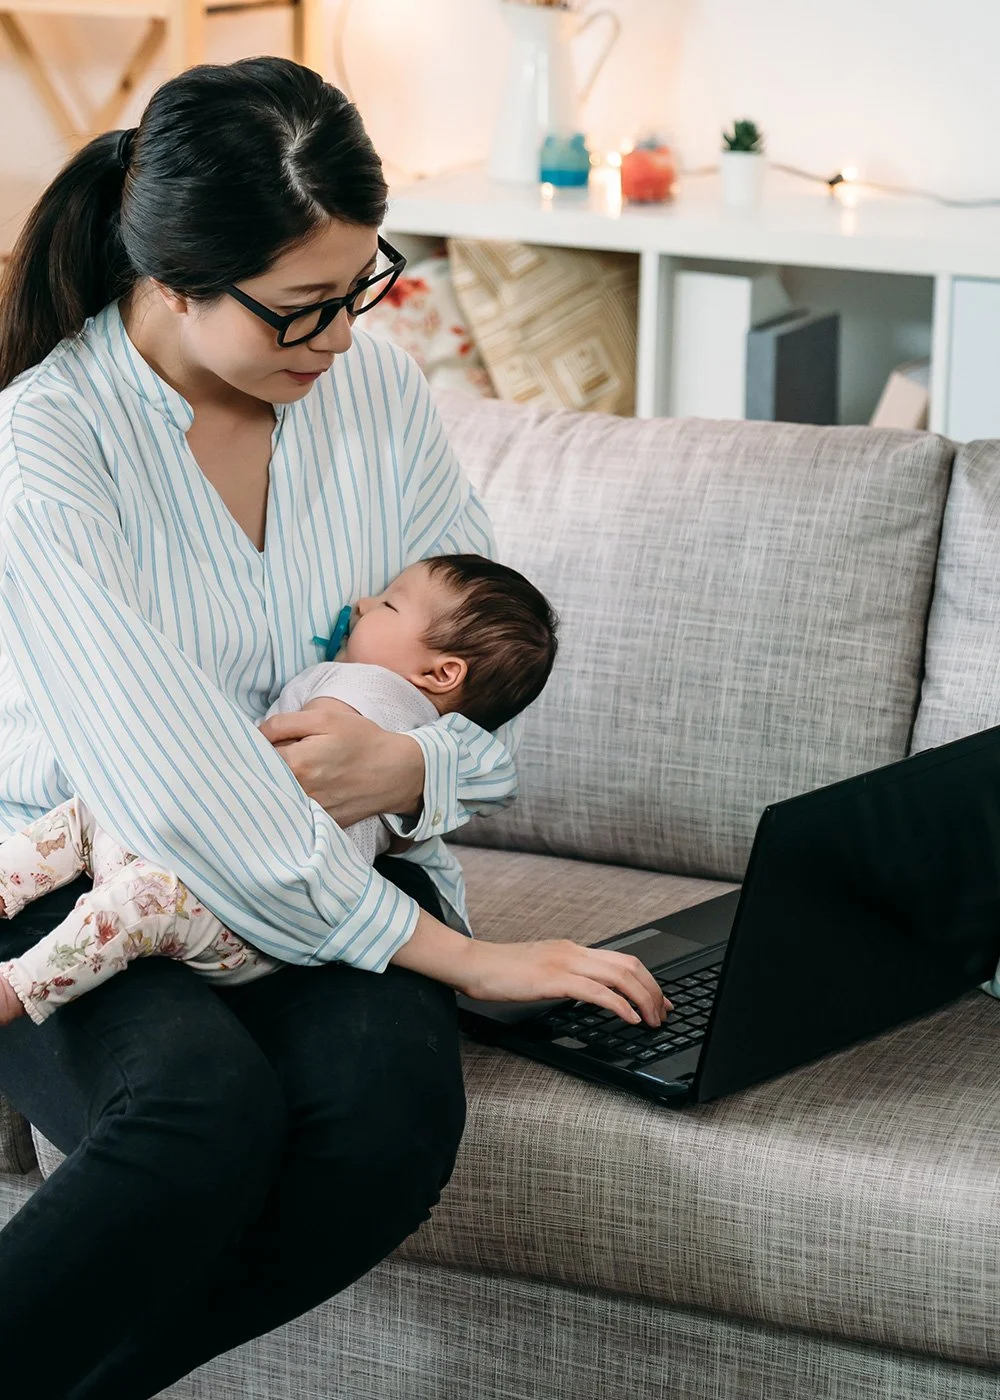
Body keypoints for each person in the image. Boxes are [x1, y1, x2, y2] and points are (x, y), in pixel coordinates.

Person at [0, 56, 669, 1399]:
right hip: (91, 870)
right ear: (176, 277)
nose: (344, 339)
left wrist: (414, 763)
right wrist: (466, 964)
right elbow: (182, 791)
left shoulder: (372, 395)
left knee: (384, 1122)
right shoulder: (45, 446)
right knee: (197, 1121)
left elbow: (479, 680)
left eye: (361, 287)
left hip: (348, 862)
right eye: (304, 310)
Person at [0, 553, 560, 1024]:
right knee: (104, 819)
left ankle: (17, 988)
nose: (363, 603)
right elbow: (404, 837)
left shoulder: (370, 696)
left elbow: (271, 794)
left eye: (388, 604)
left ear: (441, 674)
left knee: (128, 885)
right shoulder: (411, 728)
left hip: (242, 917)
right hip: (216, 882)